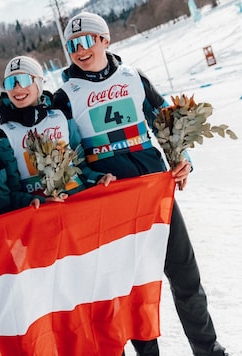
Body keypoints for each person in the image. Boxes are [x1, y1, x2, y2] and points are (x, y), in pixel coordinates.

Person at [53, 11, 227, 356]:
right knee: (131, 290)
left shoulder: (134, 78)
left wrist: (182, 158)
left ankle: (208, 349)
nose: (80, 49)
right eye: (72, 44)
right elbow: (66, 157)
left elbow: (165, 120)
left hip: (153, 194)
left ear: (105, 40)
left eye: (87, 40)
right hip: (111, 204)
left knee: (185, 277)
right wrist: (89, 179)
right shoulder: (64, 95)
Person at [0, 55, 114, 214]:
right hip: (42, 216)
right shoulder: (1, 137)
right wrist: (33, 201)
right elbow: (8, 195)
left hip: (80, 204)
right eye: (10, 82)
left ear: (39, 83)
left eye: (24, 80)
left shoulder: (62, 116)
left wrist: (97, 178)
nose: (17, 88)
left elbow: (80, 166)